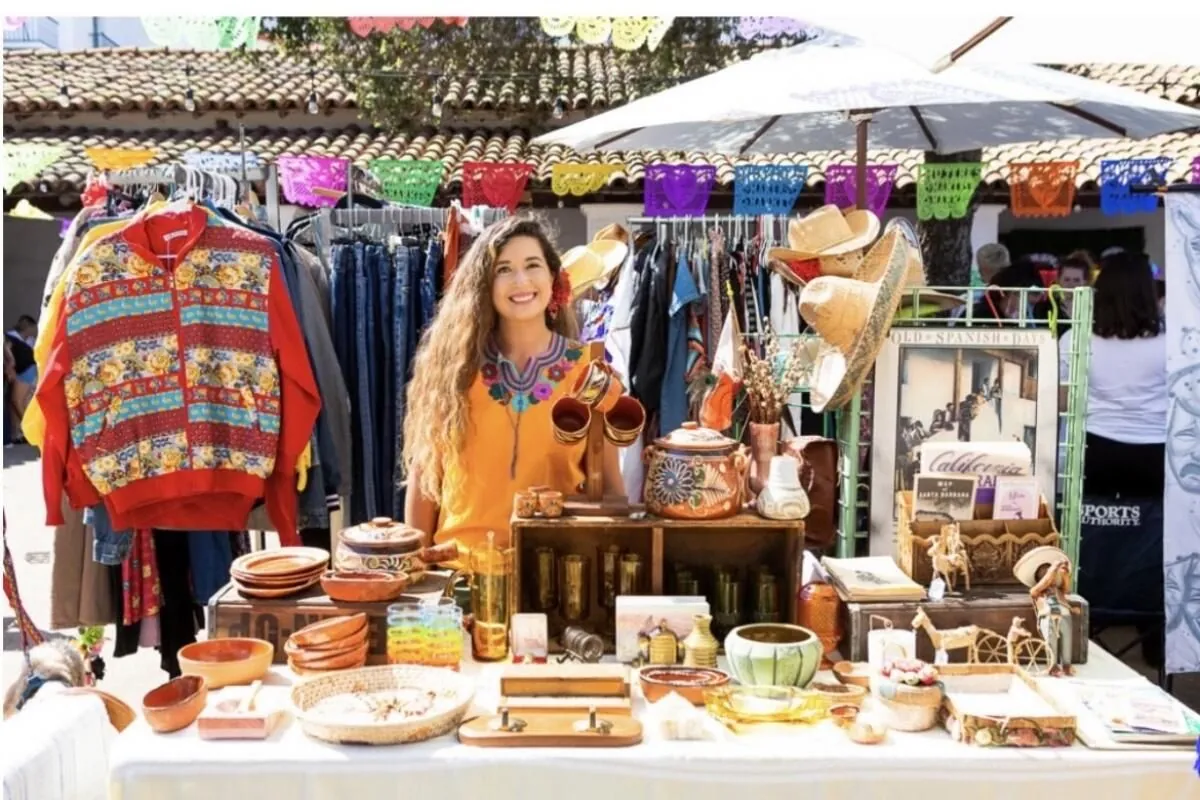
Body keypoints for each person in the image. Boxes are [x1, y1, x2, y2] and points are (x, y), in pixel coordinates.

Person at [402, 216, 624, 555]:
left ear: (553, 277)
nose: (520, 280)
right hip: (459, 575)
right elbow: (424, 480)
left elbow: (609, 490)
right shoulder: (451, 370)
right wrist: (413, 570)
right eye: (503, 269)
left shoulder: (589, 370)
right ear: (483, 285)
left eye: (532, 265)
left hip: (556, 575)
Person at [1059, 251, 1165, 498]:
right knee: (1149, 531)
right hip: (1156, 447)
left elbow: (1061, 400)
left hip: (1094, 446)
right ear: (1149, 293)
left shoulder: (1076, 338)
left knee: (1094, 530)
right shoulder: (1172, 343)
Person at [4, 316, 38, 440]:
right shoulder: (10, 337)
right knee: (17, 402)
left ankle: (27, 430)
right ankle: (21, 431)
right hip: (23, 370)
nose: (32, 331)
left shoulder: (28, 340)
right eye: (31, 328)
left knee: (17, 401)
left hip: (26, 371)